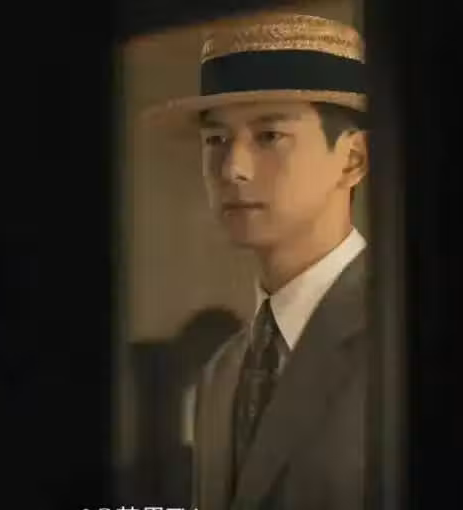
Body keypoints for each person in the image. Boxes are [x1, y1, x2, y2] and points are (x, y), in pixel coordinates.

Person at [142, 9, 370, 510]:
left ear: (352, 159)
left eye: (269, 136)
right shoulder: (222, 374)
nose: (233, 168)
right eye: (216, 140)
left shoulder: (400, 339)